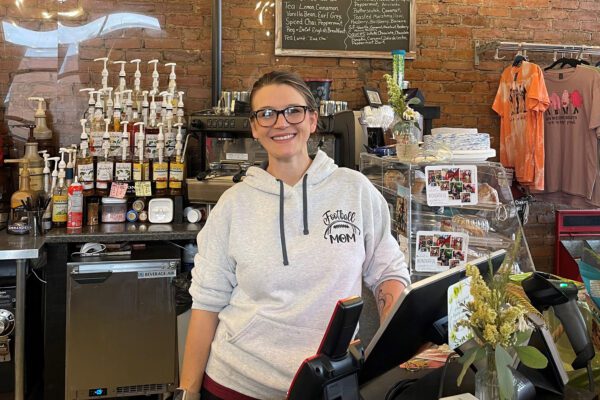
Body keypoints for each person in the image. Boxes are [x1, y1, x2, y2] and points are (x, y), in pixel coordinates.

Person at [176, 71, 410, 400]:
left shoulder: (353, 190)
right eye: (267, 114)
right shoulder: (233, 205)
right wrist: (187, 393)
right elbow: (207, 303)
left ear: (313, 120)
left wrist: (397, 342)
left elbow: (388, 271)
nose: (281, 122)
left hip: (329, 384)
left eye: (293, 111)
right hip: (237, 384)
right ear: (255, 128)